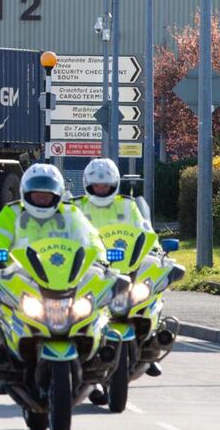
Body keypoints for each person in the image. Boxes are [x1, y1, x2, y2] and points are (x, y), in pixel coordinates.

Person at [0, 163, 106, 394]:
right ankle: (3, 365)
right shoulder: (12, 212)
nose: (40, 199)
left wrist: (100, 261)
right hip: (23, 280)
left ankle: (95, 368)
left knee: (97, 315)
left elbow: (91, 238)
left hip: (66, 280)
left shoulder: (71, 214)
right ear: (25, 193)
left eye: (46, 195)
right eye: (36, 194)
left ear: (57, 194)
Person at [74, 157, 162, 379]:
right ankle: (81, 356)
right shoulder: (77, 207)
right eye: (96, 185)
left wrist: (156, 251)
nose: (101, 189)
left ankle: (149, 345)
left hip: (127, 268)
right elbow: (68, 235)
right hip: (92, 270)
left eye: (105, 185)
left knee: (152, 294)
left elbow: (145, 231)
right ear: (88, 184)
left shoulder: (127, 205)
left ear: (114, 184)